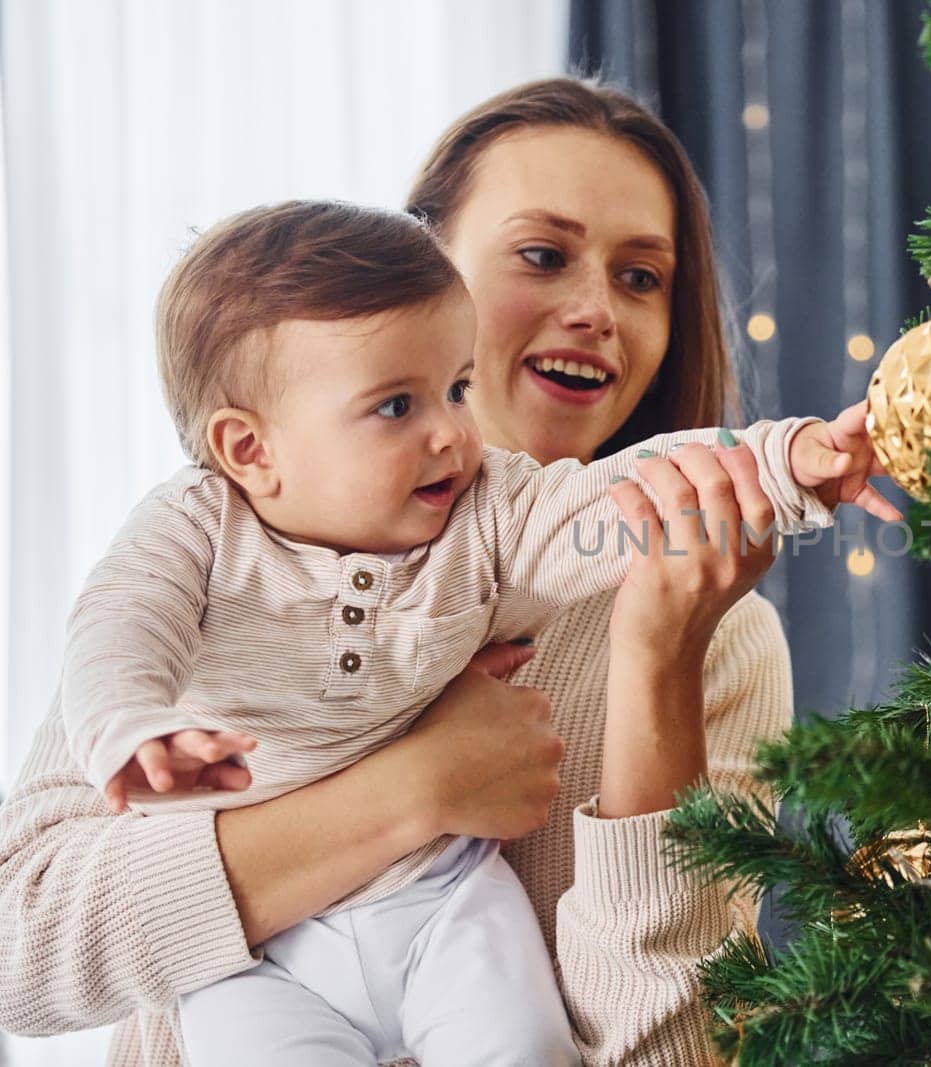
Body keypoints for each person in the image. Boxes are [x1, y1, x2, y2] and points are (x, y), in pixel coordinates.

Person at [0, 77, 838, 1065]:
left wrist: (656, 655)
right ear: (425, 267)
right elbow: (24, 951)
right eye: (542, 254)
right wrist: (412, 790)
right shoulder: (224, 554)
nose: (596, 310)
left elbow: (673, 1052)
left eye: (641, 277)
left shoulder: (721, 636)